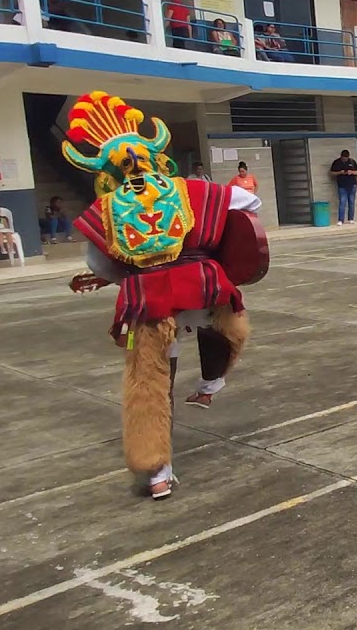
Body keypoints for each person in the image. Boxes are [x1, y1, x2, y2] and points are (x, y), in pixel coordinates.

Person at [64, 91, 263, 499]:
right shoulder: (192, 189)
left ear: (107, 172)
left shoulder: (104, 208)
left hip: (149, 299)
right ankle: (210, 384)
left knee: (150, 381)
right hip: (207, 286)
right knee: (228, 328)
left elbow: (101, 265)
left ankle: (157, 472)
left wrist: (129, 275)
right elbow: (249, 204)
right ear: (155, 157)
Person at [329, 150, 357, 225]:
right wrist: (340, 172)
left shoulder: (352, 162)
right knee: (342, 202)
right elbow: (331, 173)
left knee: (351, 202)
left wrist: (351, 172)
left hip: (352, 184)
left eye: (346, 158)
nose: (345, 160)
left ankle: (351, 219)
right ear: (341, 156)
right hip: (342, 185)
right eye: (343, 158)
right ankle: (340, 220)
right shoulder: (337, 162)